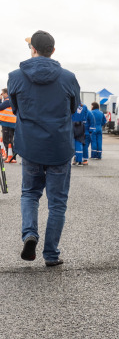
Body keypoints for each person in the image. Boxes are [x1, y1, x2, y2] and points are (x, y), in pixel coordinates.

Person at [8, 30, 81, 266]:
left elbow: (16, 109)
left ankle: (30, 234)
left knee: (30, 194)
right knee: (57, 202)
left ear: (33, 49)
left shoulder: (16, 76)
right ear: (53, 50)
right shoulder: (68, 78)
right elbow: (73, 109)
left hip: (30, 145)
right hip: (59, 146)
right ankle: (51, 254)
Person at [0, 88, 17, 162]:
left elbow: (0, 107)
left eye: (2, 93)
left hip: (8, 123)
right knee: (9, 140)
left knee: (7, 140)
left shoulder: (8, 101)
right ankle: (10, 156)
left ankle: (10, 157)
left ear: (6, 93)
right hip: (10, 123)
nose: (2, 95)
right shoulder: (11, 100)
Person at [71, 102, 90, 166]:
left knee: (72, 142)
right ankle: (79, 160)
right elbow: (85, 117)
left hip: (72, 125)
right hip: (80, 125)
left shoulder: (71, 105)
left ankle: (75, 158)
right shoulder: (84, 106)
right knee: (79, 141)